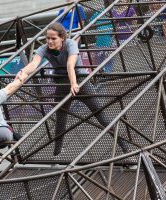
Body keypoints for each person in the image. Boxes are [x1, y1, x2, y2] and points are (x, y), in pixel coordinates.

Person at [16, 22, 114, 156]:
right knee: (60, 119)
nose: (50, 41)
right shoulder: (44, 48)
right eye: (48, 38)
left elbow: (70, 64)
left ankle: (123, 145)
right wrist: (22, 72)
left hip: (80, 81)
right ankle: (57, 153)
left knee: (100, 114)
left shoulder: (70, 44)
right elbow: (33, 64)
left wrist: (74, 84)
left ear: (62, 37)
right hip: (62, 84)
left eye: (53, 38)